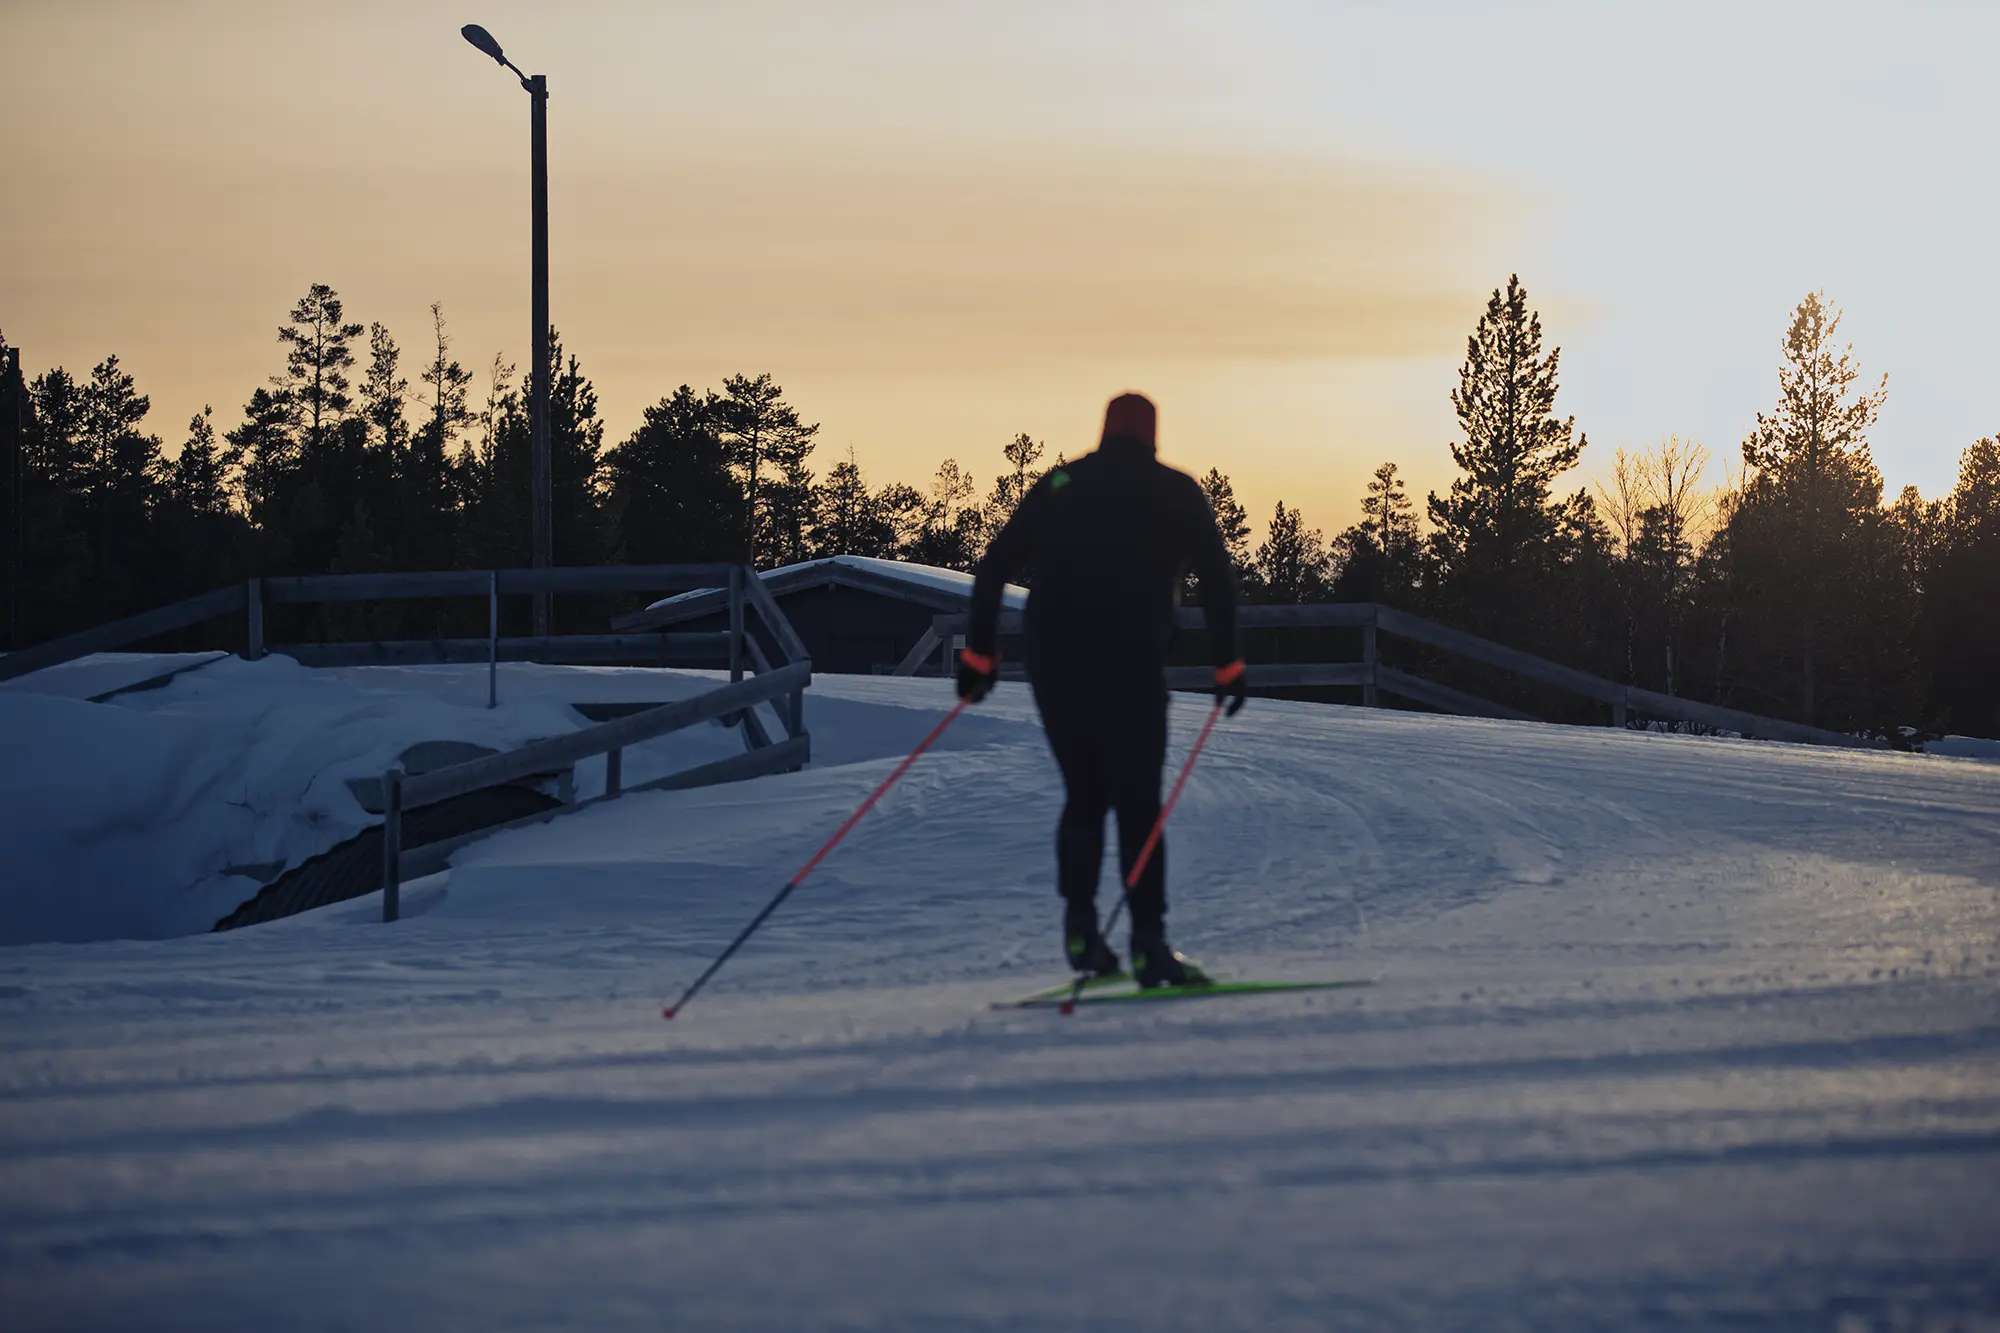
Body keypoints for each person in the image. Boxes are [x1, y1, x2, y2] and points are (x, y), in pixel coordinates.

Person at [959, 392, 1246, 988]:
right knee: (1138, 801)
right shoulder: (1174, 489)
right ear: (1152, 435)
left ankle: (1082, 926)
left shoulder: (1061, 484)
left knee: (1085, 795)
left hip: (1055, 663)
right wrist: (1227, 663)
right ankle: (1148, 943)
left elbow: (994, 565)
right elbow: (1217, 577)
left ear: (1106, 431)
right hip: (1130, 662)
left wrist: (979, 653)